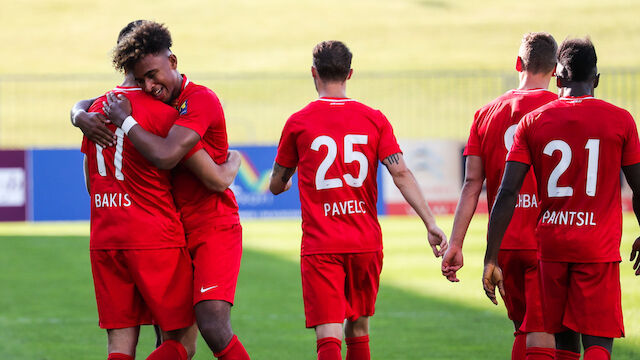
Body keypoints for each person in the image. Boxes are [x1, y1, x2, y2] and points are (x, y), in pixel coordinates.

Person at [269, 40, 447, 360]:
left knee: (328, 335)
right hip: (365, 242)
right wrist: (430, 223)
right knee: (359, 329)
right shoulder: (374, 119)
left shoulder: (298, 122)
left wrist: (285, 183)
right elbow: (402, 172)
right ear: (350, 73)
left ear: (314, 72)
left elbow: (276, 184)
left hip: (322, 244)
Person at [74, 21, 241, 360]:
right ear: (131, 69)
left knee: (125, 344)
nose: (151, 85)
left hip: (122, 235)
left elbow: (92, 184)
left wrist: (78, 113)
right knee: (181, 341)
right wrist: (233, 162)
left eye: (155, 75)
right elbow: (213, 176)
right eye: (144, 77)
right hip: (159, 235)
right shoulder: (164, 116)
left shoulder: (97, 112)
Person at [483, 37, 640, 360]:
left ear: (558, 77)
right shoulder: (621, 120)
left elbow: (507, 191)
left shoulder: (533, 121)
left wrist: (491, 256)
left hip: (552, 247)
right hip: (598, 248)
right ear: (596, 78)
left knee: (562, 344)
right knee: (597, 343)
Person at [441, 32, 557, 359]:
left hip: (504, 243)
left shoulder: (485, 114)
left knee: (525, 328)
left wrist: (456, 244)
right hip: (548, 237)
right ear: (554, 70)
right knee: (543, 334)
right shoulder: (561, 110)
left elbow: (471, 184)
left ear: (518, 64)